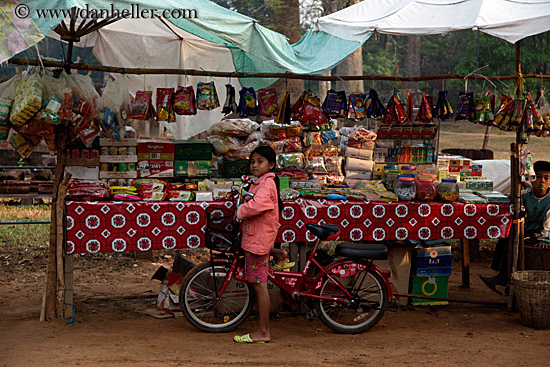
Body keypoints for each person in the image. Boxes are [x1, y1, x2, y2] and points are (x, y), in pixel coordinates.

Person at [232, 145, 292, 343]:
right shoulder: (261, 182)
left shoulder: (266, 184)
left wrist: (241, 211)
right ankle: (279, 254)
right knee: (258, 276)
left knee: (259, 285)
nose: (255, 165)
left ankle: (264, 331)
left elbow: (258, 205)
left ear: (271, 165)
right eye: (252, 161)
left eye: (260, 161)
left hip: (259, 239)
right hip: (257, 237)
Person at [480, 160, 550, 295]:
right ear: (531, 179)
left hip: (538, 234)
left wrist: (544, 239)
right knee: (504, 240)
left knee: (516, 245)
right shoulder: (525, 195)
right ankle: (503, 276)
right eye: (538, 177)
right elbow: (510, 201)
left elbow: (549, 222)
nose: (542, 181)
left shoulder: (549, 201)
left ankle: (503, 279)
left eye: (546, 178)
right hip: (522, 230)